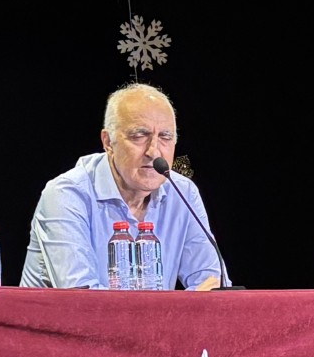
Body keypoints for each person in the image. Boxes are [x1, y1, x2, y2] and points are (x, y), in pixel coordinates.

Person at [21, 82, 223, 290]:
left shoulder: (183, 193)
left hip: (155, 322)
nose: (154, 152)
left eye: (165, 137)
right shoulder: (66, 195)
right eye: (139, 136)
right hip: (59, 323)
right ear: (108, 142)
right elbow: (82, 299)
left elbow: (212, 284)